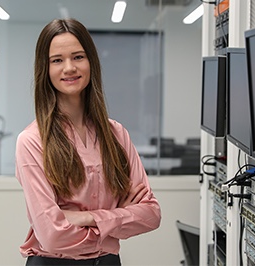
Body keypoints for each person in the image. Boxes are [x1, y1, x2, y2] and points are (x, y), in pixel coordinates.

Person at [15, 18, 162, 266]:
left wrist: (84, 218)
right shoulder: (31, 141)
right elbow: (51, 236)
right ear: (45, 69)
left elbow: (151, 215)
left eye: (78, 57)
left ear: (91, 62)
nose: (69, 67)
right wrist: (116, 219)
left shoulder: (116, 134)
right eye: (57, 60)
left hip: (108, 262)